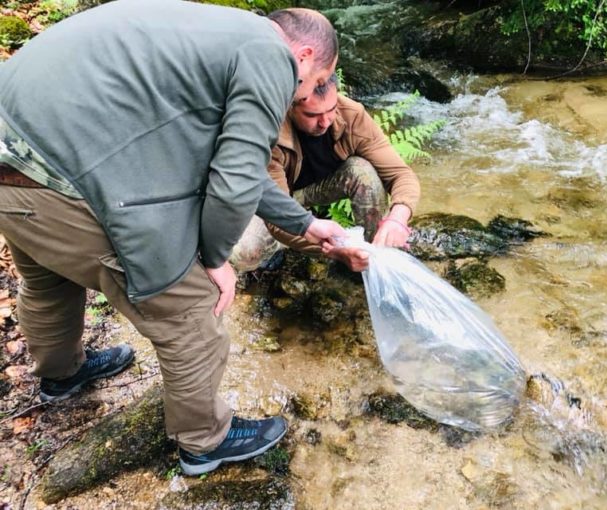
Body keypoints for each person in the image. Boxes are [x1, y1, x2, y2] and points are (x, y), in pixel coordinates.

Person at [0, 1, 345, 476]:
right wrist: (213, 257)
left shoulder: (208, 36)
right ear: (304, 55)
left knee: (49, 278)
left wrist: (306, 225)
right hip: (56, 173)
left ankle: (62, 375)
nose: (300, 95)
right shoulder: (270, 56)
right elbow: (236, 180)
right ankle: (205, 441)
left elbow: (227, 164)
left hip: (16, 159)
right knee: (188, 306)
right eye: (311, 83)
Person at [230, 74, 420, 273]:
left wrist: (397, 219)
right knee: (245, 253)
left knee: (363, 173)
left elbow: (401, 175)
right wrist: (334, 250)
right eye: (312, 115)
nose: (325, 121)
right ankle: (287, 249)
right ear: (290, 107)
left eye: (331, 110)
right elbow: (276, 215)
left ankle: (371, 257)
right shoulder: (270, 132)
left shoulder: (352, 115)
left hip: (314, 191)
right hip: (278, 200)